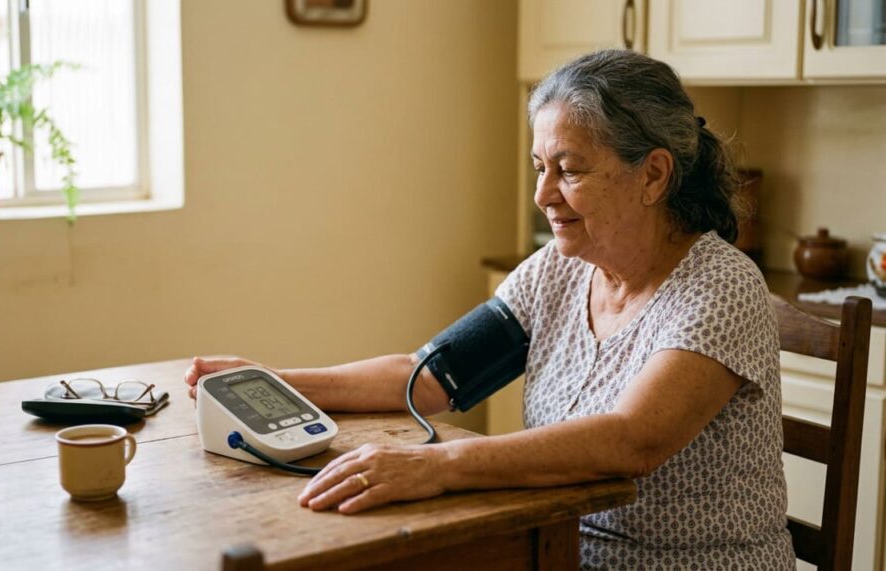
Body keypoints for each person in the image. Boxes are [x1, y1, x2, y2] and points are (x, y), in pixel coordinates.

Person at [185, 49, 794, 569]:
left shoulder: (720, 287)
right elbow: (427, 379)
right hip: (554, 551)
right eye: (539, 168)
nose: (543, 194)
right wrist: (267, 383)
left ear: (653, 174)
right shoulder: (559, 268)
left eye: (570, 170)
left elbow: (632, 441)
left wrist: (438, 466)